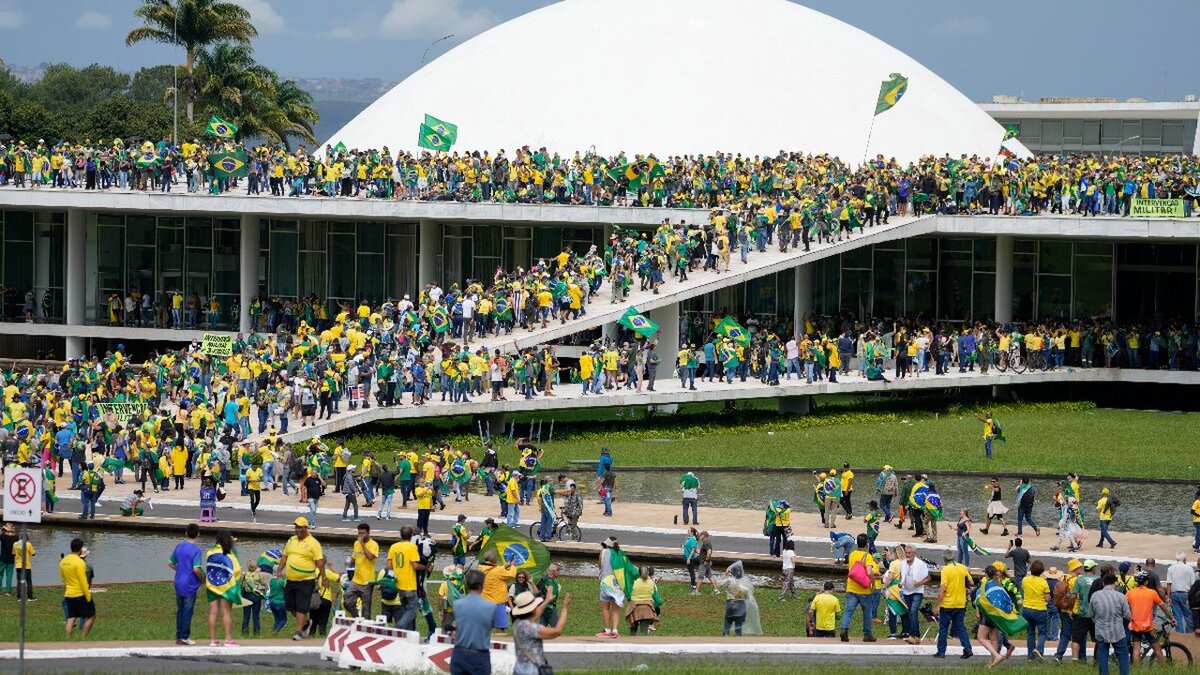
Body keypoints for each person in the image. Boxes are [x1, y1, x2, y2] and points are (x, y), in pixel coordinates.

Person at [276, 516, 327, 641]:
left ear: (305, 528)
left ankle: (298, 631)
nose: (297, 530)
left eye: (299, 527)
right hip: (291, 579)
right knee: (290, 605)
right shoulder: (291, 540)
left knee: (301, 606)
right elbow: (284, 556)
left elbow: (319, 562)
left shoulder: (313, 543)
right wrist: (279, 571)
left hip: (306, 579)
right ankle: (305, 623)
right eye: (296, 527)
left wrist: (324, 576)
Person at [511, 588, 571, 675]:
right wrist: (565, 608)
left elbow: (534, 616)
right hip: (531, 670)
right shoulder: (530, 627)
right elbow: (557, 631)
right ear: (532, 610)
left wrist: (546, 601)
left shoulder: (517, 623)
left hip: (519, 669)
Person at [451, 570, 498, 675]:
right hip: (480, 655)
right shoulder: (491, 607)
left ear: (467, 584)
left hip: (459, 653)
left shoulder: (457, 604)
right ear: (482, 585)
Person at [201, 530, 242, 647]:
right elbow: (237, 569)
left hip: (212, 585)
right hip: (226, 586)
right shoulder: (230, 554)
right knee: (226, 612)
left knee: (213, 612)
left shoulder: (210, 552)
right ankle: (228, 639)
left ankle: (213, 640)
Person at [933, 548, 974, 659]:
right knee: (960, 627)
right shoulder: (962, 567)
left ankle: (941, 651)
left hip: (947, 604)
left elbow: (942, 589)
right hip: (960, 603)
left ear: (944, 558)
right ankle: (967, 648)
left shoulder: (945, 570)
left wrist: (937, 605)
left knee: (943, 628)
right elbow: (971, 582)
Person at [168, 523, 204, 645]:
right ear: (198, 534)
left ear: (186, 533)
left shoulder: (179, 546)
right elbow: (196, 569)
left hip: (178, 581)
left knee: (180, 610)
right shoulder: (196, 551)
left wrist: (180, 569)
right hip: (190, 584)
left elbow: (170, 563)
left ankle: (179, 636)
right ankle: (184, 636)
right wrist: (202, 580)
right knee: (188, 610)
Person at [841, 533, 881, 642]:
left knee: (849, 610)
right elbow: (868, 572)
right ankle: (867, 634)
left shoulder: (852, 554)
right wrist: (872, 583)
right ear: (867, 544)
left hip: (851, 587)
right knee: (867, 612)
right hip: (864, 590)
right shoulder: (867, 556)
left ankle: (844, 629)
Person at [1090, 572, 1132, 675]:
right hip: (1117, 630)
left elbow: (1091, 614)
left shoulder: (1095, 596)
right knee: (1123, 656)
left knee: (1103, 655)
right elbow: (1127, 615)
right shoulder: (1121, 596)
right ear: (1115, 583)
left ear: (1103, 582)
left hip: (1101, 630)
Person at [386, 525, 426, 632]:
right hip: (409, 584)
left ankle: (409, 633)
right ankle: (398, 627)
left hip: (398, 584)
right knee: (413, 609)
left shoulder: (393, 547)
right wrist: (425, 567)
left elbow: (389, 566)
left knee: (405, 609)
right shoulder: (412, 547)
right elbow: (415, 566)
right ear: (411, 535)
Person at [1128, 571, 1172, 665]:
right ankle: (1166, 669)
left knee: (1136, 649)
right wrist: (1171, 618)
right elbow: (1163, 607)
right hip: (1148, 627)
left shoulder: (1130, 593)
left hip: (1135, 625)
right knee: (1157, 649)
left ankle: (1136, 671)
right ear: (1146, 582)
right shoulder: (1152, 593)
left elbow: (1123, 605)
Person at [61, 537, 95, 639]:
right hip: (79, 593)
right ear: (80, 549)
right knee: (92, 615)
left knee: (71, 617)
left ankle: (68, 638)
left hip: (68, 593)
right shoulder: (80, 562)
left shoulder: (63, 561)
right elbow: (83, 581)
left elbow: (63, 578)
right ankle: (83, 637)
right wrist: (88, 596)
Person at [897, 544, 930, 644]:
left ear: (914, 553)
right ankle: (917, 636)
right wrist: (900, 583)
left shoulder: (921, 564)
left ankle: (912, 635)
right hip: (907, 591)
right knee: (911, 614)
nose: (907, 555)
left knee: (913, 611)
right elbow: (902, 577)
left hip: (917, 592)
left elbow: (928, 578)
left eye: (909, 553)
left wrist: (919, 583)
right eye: (906, 553)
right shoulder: (903, 564)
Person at [344, 523, 378, 619]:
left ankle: (365, 625)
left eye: (363, 533)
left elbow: (370, 557)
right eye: (359, 533)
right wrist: (349, 561)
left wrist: (362, 544)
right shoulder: (356, 544)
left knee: (366, 608)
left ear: (368, 533)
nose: (361, 535)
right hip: (356, 579)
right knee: (347, 600)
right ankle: (357, 618)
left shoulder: (374, 544)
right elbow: (354, 558)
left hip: (367, 581)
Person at [719, 561, 761, 636]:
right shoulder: (745, 581)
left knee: (728, 621)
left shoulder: (729, 580)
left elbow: (720, 584)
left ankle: (725, 634)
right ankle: (738, 636)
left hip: (730, 604)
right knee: (739, 624)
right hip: (741, 606)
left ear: (732, 572)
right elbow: (748, 596)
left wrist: (725, 574)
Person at [1021, 560, 1052, 660]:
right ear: (1042, 571)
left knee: (1030, 632)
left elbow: (1024, 590)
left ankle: (1031, 657)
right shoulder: (1043, 582)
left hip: (1026, 608)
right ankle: (1038, 649)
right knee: (1043, 632)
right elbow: (1047, 598)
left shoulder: (1025, 580)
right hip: (1039, 609)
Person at [1165, 551, 1197, 633]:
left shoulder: (1171, 568)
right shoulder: (1189, 568)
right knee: (1188, 616)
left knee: (1177, 617)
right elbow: (1193, 585)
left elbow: (1169, 583)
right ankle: (1188, 635)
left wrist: (1168, 597)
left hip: (1174, 594)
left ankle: (1180, 635)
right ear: (1184, 559)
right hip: (1186, 594)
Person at [625, 567, 660, 635]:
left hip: (634, 608)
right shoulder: (652, 583)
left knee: (633, 630)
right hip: (647, 609)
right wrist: (654, 608)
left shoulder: (633, 582)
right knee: (644, 631)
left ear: (639, 573)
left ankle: (631, 643)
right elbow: (657, 600)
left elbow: (629, 596)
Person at [12, 531, 34, 601]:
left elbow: (13, 553)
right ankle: (30, 597)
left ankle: (19, 597)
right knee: (28, 581)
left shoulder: (15, 544)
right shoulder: (28, 544)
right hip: (26, 566)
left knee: (19, 581)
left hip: (18, 565)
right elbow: (33, 553)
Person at [0, 523, 17, 596]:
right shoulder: (16, 537)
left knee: (0, 574)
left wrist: (3, 531)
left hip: (3, 559)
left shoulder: (3, 536)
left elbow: (2, 534)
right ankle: (8, 591)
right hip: (11, 559)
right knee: (9, 575)